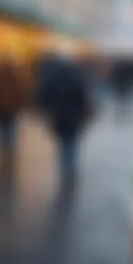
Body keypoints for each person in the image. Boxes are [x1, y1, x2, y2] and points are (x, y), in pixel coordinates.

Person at [35, 54, 92, 182]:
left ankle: (65, 166)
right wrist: (85, 114)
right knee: (71, 142)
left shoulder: (53, 78)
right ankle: (70, 167)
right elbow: (83, 98)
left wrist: (45, 109)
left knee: (62, 142)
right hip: (73, 116)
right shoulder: (76, 78)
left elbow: (43, 96)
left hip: (58, 116)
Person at [0, 55, 31, 165]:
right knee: (11, 130)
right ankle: (9, 150)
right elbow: (22, 91)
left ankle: (4, 149)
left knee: (2, 130)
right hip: (12, 109)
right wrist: (21, 105)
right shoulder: (16, 76)